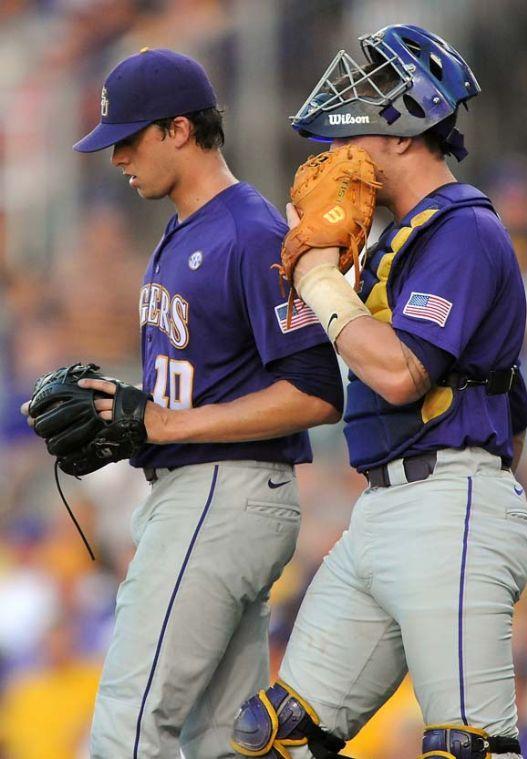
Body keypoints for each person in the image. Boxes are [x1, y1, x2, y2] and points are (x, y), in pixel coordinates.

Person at [231, 25, 527, 759]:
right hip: (386, 509)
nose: (339, 149)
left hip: (448, 502)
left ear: (402, 130)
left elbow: (400, 372)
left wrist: (316, 276)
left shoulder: (461, 230)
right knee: (273, 737)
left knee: (466, 746)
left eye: (363, 112)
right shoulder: (406, 237)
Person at [42, 48, 343, 758]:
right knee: (227, 737)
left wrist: (165, 422)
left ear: (179, 129)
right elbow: (183, 394)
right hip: (206, 489)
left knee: (130, 713)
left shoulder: (248, 231)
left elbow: (315, 391)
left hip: (222, 489)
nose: (116, 156)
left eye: (129, 138)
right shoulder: (183, 231)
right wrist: (130, 414)